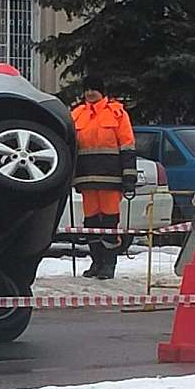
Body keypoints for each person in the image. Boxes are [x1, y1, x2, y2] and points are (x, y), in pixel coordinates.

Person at [71, 76, 138, 280]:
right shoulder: (76, 114)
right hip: (86, 178)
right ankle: (96, 262)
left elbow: (127, 146)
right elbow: (70, 146)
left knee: (109, 222)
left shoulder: (117, 113)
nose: (90, 93)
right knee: (90, 222)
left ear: (102, 92)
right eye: (87, 90)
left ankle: (109, 264)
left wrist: (129, 177)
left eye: (94, 89)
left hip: (111, 179)